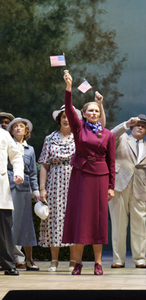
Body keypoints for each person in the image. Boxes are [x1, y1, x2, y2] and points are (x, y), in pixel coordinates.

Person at [61, 70, 116, 275]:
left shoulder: (108, 135)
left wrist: (111, 187)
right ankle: (77, 263)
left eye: (96, 111)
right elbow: (68, 108)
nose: (93, 113)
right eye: (90, 111)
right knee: (79, 219)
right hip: (81, 176)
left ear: (100, 113)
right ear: (83, 114)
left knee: (98, 220)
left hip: (101, 179)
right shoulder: (79, 128)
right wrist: (69, 87)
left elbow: (111, 163)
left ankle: (98, 263)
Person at [38, 104, 83, 272]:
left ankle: (73, 261)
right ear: (59, 119)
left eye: (69, 116)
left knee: (73, 220)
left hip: (74, 181)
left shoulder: (79, 138)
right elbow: (44, 164)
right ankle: (54, 260)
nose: (66, 119)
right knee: (54, 220)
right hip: (55, 182)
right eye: (63, 116)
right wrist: (42, 188)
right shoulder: (50, 138)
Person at [109, 114, 146, 269]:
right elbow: (110, 135)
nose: (140, 127)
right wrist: (125, 123)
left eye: (143, 126)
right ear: (131, 127)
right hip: (119, 186)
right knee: (118, 224)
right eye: (137, 124)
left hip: (140, 190)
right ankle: (118, 259)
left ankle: (140, 258)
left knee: (140, 226)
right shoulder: (122, 139)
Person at [6, 118, 40, 271]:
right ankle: (9, 258)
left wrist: (36, 190)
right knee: (9, 223)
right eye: (15, 127)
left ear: (26, 131)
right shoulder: (6, 144)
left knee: (26, 224)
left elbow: (33, 172)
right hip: (8, 186)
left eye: (21, 127)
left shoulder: (30, 150)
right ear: (11, 130)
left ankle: (28, 259)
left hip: (24, 189)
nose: (18, 129)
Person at [0, 127, 24, 275]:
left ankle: (9, 265)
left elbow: (16, 156)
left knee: (4, 230)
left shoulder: (4, 134)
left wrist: (18, 173)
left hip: (1, 188)